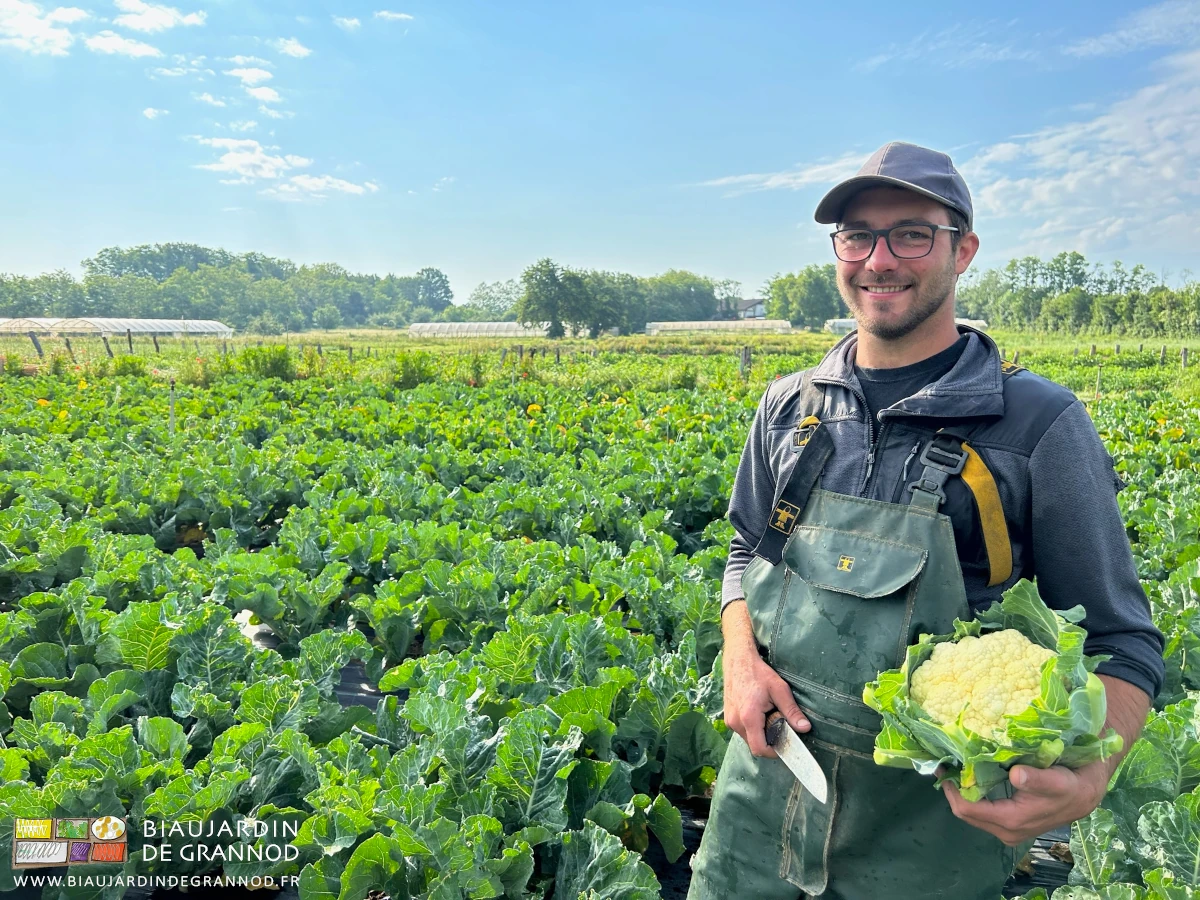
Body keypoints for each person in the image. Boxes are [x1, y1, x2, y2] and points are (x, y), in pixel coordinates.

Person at [686, 141, 1165, 900]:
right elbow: (747, 548)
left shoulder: (1037, 426)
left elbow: (1122, 641)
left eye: (911, 232)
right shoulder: (789, 405)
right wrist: (741, 659)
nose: (880, 259)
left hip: (929, 837)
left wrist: (1093, 768)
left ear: (962, 250)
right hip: (761, 800)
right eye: (857, 235)